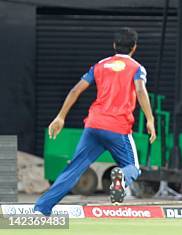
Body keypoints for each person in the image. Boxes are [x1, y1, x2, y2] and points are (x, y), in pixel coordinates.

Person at [34, 27, 156, 216]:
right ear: (134, 47)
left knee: (72, 170)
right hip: (118, 128)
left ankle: (41, 208)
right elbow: (140, 91)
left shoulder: (100, 65)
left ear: (114, 45)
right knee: (133, 169)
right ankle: (121, 178)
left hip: (93, 125)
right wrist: (150, 119)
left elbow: (76, 90)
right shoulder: (137, 68)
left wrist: (60, 117)